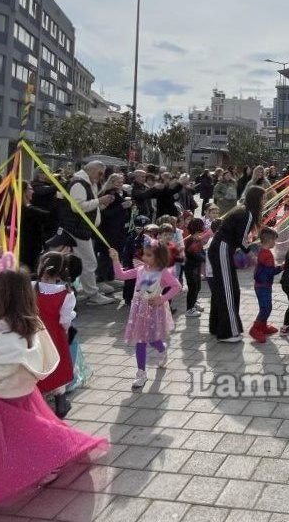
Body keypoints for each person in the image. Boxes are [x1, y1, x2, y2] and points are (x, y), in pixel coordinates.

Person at [0, 265, 108, 512]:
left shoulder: (5, 327)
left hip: (2, 391)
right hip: (20, 388)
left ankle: (37, 464)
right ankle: (48, 460)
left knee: (16, 433)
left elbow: (6, 362)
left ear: (3, 296)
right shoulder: (27, 320)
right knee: (29, 428)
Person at [111, 240, 181, 389]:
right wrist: (115, 259)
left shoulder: (163, 273)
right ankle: (141, 373)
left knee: (153, 339)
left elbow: (177, 286)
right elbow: (120, 275)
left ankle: (162, 349)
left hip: (154, 310)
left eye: (149, 255)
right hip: (138, 309)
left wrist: (161, 298)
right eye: (144, 254)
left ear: (159, 257)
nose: (144, 257)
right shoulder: (140, 269)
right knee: (140, 341)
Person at [209, 185, 265, 342]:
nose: (264, 201)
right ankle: (227, 332)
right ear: (257, 199)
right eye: (263, 198)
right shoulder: (246, 213)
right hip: (222, 249)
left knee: (226, 288)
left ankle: (217, 326)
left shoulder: (243, 210)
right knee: (229, 290)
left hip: (222, 249)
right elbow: (242, 240)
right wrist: (252, 255)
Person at [61, 161, 115, 306]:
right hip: (77, 229)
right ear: (91, 170)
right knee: (89, 261)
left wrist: (101, 204)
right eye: (100, 173)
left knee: (84, 261)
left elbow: (90, 205)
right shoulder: (79, 183)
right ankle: (92, 293)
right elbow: (77, 207)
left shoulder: (88, 182)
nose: (101, 176)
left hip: (83, 229)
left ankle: (86, 290)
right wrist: (99, 201)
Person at [34, 252, 79, 419]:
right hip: (55, 335)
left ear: (40, 267)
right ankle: (60, 401)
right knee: (56, 365)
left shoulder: (31, 287)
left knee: (38, 363)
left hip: (35, 334)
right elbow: (66, 320)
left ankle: (37, 401)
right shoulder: (67, 293)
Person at [250, 228, 282, 343]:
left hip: (263, 285)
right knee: (266, 308)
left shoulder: (263, 251)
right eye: (274, 240)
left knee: (265, 307)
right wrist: (282, 267)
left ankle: (262, 326)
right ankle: (255, 329)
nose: (275, 243)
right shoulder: (267, 254)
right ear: (269, 240)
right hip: (262, 286)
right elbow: (270, 271)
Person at [183, 218, 207, 318]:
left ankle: (194, 302)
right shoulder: (191, 241)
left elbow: (201, 251)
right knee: (193, 288)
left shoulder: (196, 240)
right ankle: (189, 309)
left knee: (198, 286)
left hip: (196, 268)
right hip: (190, 268)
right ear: (196, 231)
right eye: (199, 232)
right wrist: (206, 258)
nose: (201, 235)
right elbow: (197, 254)